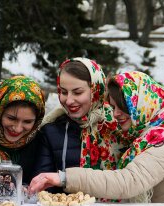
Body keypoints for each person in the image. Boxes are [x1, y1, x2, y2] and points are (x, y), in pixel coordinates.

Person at [30, 71, 164, 205]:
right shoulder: (143, 129)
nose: (115, 114)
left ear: (142, 104)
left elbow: (129, 181)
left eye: (123, 107)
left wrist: (63, 178)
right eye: (113, 107)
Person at [29, 57, 123, 194]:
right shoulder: (51, 130)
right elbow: (43, 183)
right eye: (63, 92)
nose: (69, 100)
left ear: (96, 90)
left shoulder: (119, 125)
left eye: (78, 92)